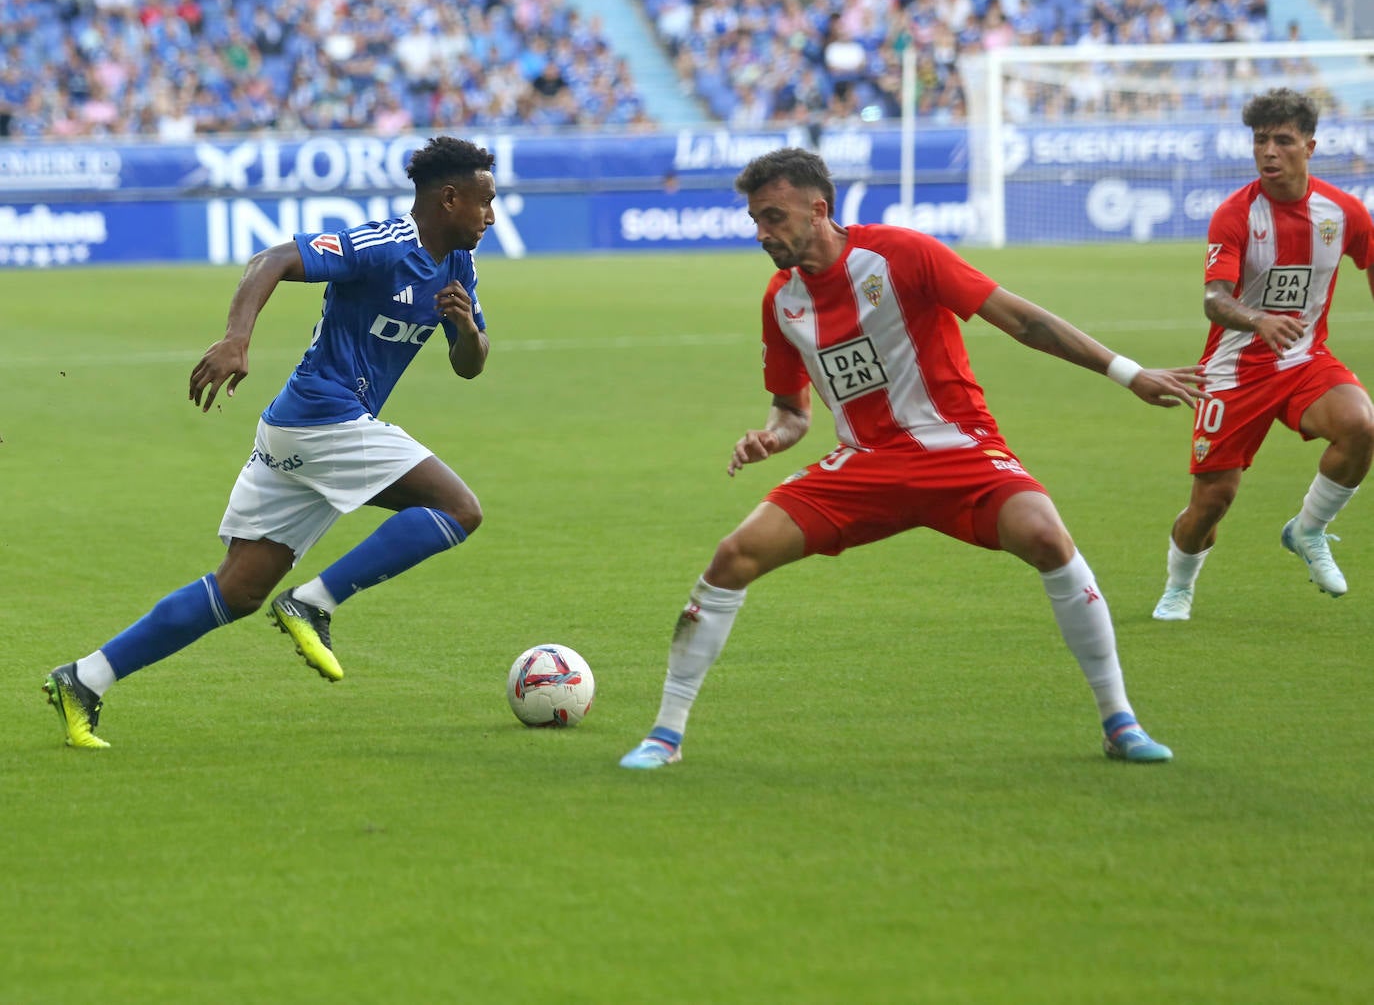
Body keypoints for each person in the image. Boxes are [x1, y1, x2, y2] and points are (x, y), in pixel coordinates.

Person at [620, 146, 1204, 771]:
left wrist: (1128, 372)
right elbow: (792, 411)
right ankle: (665, 734)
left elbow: (1021, 320)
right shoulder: (781, 301)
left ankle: (1120, 723)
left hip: (959, 449)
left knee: (1048, 538)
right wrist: (771, 436)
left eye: (774, 218)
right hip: (864, 465)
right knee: (733, 555)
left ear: (819, 210)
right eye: (756, 220)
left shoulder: (903, 254)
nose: (762, 233)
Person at [42, 136, 498, 748]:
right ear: (450, 198)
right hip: (323, 417)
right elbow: (272, 259)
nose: (490, 216)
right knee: (458, 509)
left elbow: (470, 366)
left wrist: (466, 328)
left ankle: (84, 678)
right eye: (484, 202)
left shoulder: (458, 268)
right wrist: (236, 338)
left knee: (239, 588)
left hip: (301, 432)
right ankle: (314, 603)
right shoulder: (383, 245)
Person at [1151, 88, 1374, 621]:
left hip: (1303, 360)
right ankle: (1179, 585)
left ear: (1310, 146)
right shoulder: (1235, 215)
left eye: (1282, 140)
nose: (1269, 151)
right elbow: (1214, 300)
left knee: (1361, 424)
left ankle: (1309, 529)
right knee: (1211, 504)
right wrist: (1258, 319)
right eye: (1259, 141)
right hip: (1234, 372)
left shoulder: (1343, 213)